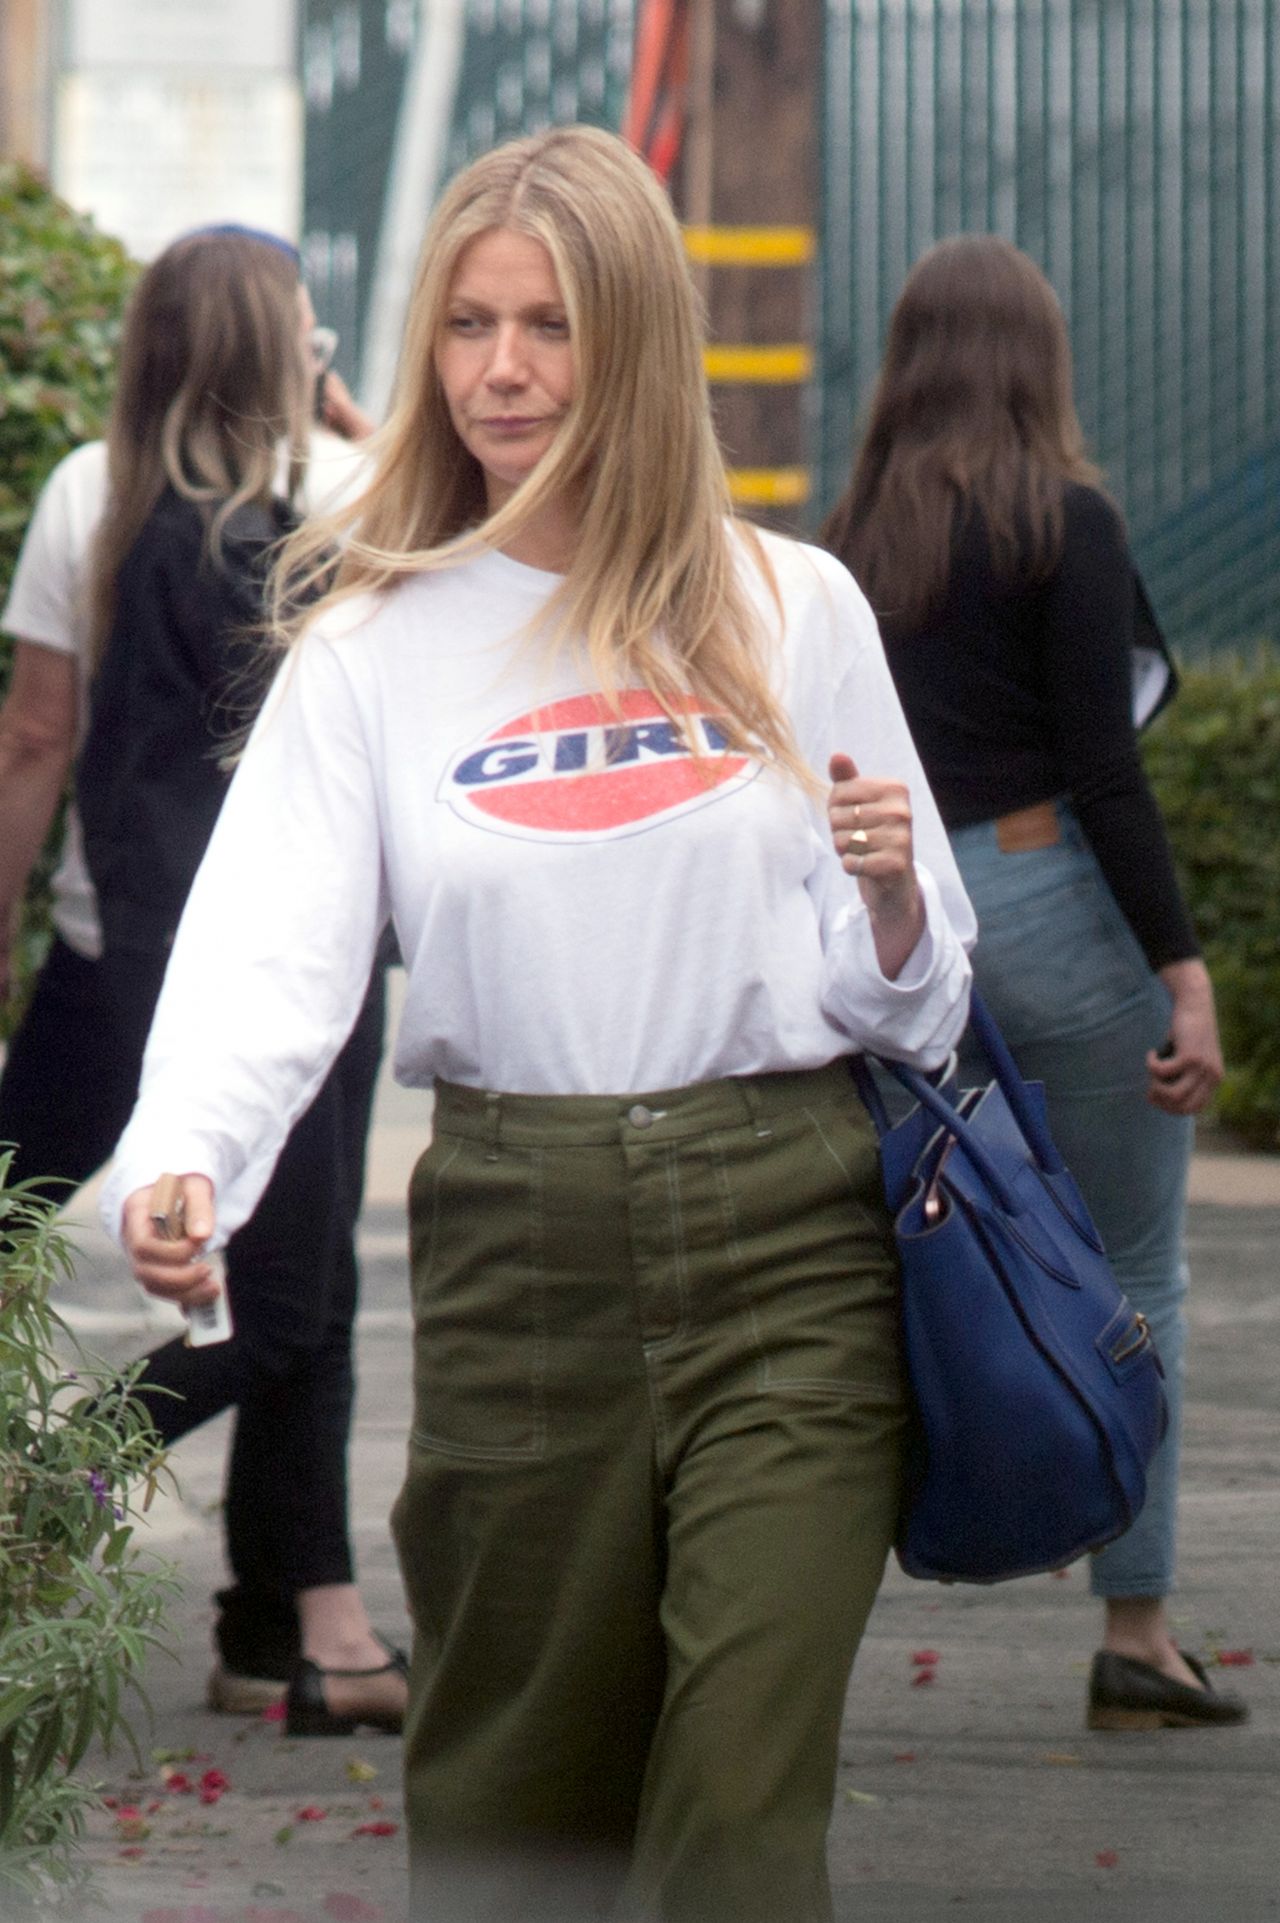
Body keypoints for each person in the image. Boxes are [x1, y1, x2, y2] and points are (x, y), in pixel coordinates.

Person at [103, 126, 975, 1923]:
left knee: (739, 1812)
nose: (502, 370)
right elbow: (271, 945)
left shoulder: (789, 605)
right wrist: (189, 1158)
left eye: (553, 326)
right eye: (470, 325)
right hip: (522, 1252)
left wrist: (891, 903)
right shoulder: (372, 647)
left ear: (640, 341)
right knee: (521, 1825)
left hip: (792, 1245)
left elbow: (923, 986)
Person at [821, 232, 1248, 1733]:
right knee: (1135, 1266)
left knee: (916, 1255)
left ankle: (810, 1614)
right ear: (1041, 360)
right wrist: (1183, 974)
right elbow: (1107, 773)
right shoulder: (1071, 520)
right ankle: (1135, 1629)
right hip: (1051, 896)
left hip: (902, 917)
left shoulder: (851, 539)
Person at [0, 225, 406, 1736]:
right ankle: (70, 1502)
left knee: (31, 1213)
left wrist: (7, 917)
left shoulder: (88, 492)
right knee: (302, 1296)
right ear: (287, 341)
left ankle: (297, 1624)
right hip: (290, 974)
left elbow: (39, 732)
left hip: (118, 945)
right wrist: (354, 420)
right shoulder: (344, 493)